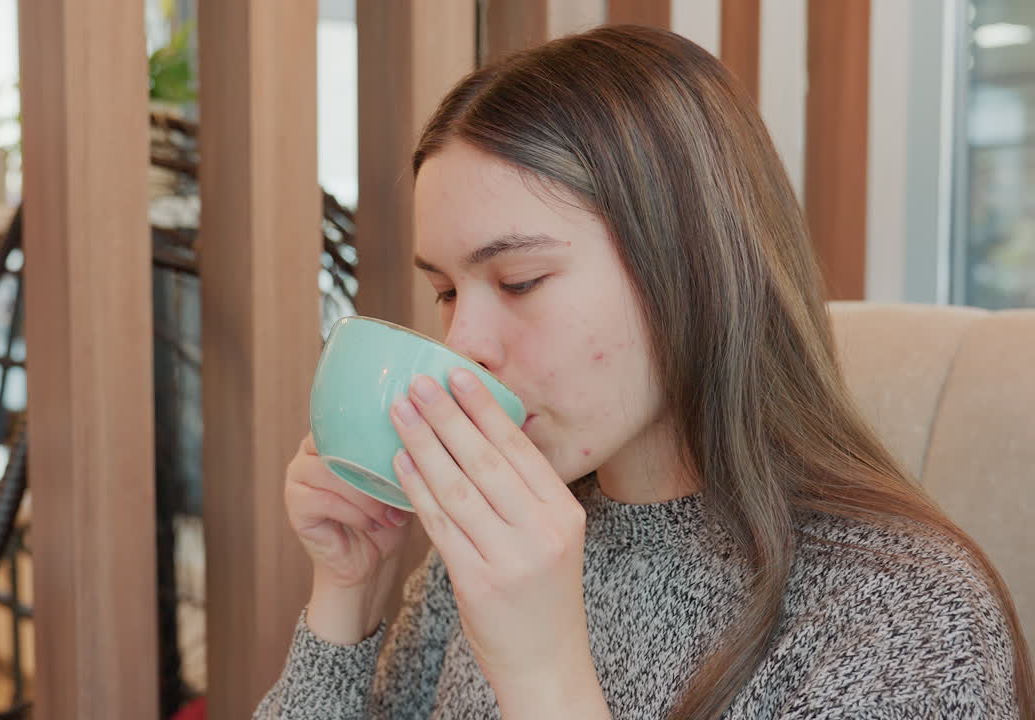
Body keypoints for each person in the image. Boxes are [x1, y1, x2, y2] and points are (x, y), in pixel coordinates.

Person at [255, 24, 1033, 719]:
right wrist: (346, 591)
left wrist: (544, 676)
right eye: (447, 292)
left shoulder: (903, 614)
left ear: (689, 267)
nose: (464, 342)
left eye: (520, 281)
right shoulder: (501, 544)